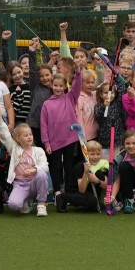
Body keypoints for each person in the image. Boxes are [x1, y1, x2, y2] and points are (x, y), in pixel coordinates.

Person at [40, 69, 84, 202]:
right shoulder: (46, 104)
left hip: (70, 139)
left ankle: (69, 191)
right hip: (54, 142)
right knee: (56, 166)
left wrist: (77, 73)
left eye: (61, 86)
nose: (58, 88)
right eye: (55, 85)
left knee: (69, 166)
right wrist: (46, 143)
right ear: (51, 86)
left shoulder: (70, 97)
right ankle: (57, 191)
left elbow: (77, 85)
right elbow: (44, 126)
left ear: (65, 86)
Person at [0, 116, 50, 216]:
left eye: (30, 134)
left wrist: (33, 169)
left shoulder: (38, 150)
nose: (29, 137)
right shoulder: (14, 149)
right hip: (20, 185)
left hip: (34, 183)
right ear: (18, 138)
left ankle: (41, 205)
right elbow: (5, 136)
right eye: (25, 135)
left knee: (41, 174)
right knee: (13, 205)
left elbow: (45, 166)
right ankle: (24, 201)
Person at [57, 140, 110, 212]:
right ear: (86, 154)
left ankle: (94, 201)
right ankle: (63, 197)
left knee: (99, 173)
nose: (95, 157)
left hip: (90, 190)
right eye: (92, 154)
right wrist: (85, 173)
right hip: (77, 191)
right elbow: (81, 190)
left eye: (98, 154)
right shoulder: (80, 166)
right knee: (92, 201)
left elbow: (106, 186)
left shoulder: (103, 164)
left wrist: (97, 180)